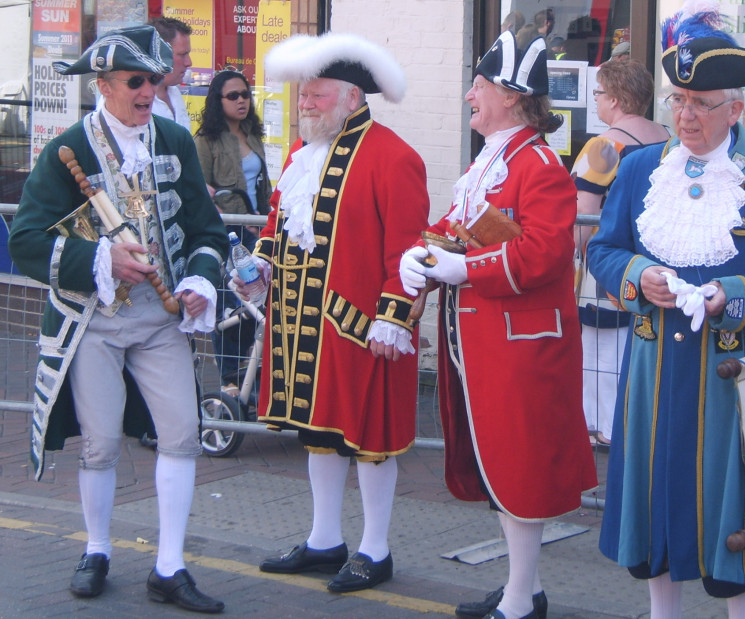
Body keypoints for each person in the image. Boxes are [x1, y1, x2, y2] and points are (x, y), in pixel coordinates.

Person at [586, 5, 745, 617]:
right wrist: (639, 276)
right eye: (678, 99)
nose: (685, 115)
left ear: (735, 110)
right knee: (658, 504)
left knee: (735, 510)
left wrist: (732, 296)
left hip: (735, 376)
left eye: (701, 103)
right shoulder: (637, 171)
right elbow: (604, 251)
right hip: (652, 373)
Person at [8, 25, 227, 612]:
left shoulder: (176, 141)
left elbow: (208, 230)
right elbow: (26, 239)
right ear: (103, 85)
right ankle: (97, 549)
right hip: (94, 322)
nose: (148, 91)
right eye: (136, 80)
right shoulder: (69, 150)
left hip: (160, 320)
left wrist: (200, 280)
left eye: (155, 79)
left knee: (182, 435)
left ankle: (170, 566)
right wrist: (100, 257)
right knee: (100, 444)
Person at [398, 30, 598, 619]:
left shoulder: (538, 165)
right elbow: (459, 227)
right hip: (487, 343)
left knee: (521, 469)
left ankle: (522, 596)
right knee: (505, 465)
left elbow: (544, 254)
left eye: (478, 86)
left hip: (522, 346)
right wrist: (424, 251)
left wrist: (462, 266)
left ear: (511, 95)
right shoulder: (493, 159)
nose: (467, 97)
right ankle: (522, 588)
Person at [245, 32, 429, 595]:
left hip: (360, 325)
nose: (305, 102)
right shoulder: (302, 157)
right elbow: (281, 225)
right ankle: (325, 539)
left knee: (370, 439)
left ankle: (377, 549)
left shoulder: (395, 157)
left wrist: (393, 317)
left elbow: (408, 250)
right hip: (301, 323)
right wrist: (258, 268)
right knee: (317, 433)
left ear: (352, 96)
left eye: (317, 94)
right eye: (304, 93)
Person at [572, 59, 670, 446]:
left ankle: (605, 427)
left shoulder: (604, 145)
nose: (596, 101)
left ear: (613, 99)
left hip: (610, 264)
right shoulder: (669, 137)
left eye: (597, 93)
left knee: (601, 349)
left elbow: (584, 214)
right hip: (658, 260)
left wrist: (576, 258)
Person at [195, 69, 272, 394]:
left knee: (257, 301)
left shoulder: (253, 134)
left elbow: (261, 182)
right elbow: (196, 186)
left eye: (245, 94)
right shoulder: (206, 140)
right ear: (218, 100)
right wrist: (211, 197)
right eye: (233, 96)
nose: (242, 101)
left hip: (256, 228)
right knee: (231, 303)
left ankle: (249, 373)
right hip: (229, 231)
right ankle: (229, 379)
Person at [148, 17, 193, 130]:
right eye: (182, 54)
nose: (189, 63)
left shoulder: (174, 92)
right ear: (159, 53)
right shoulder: (130, 97)